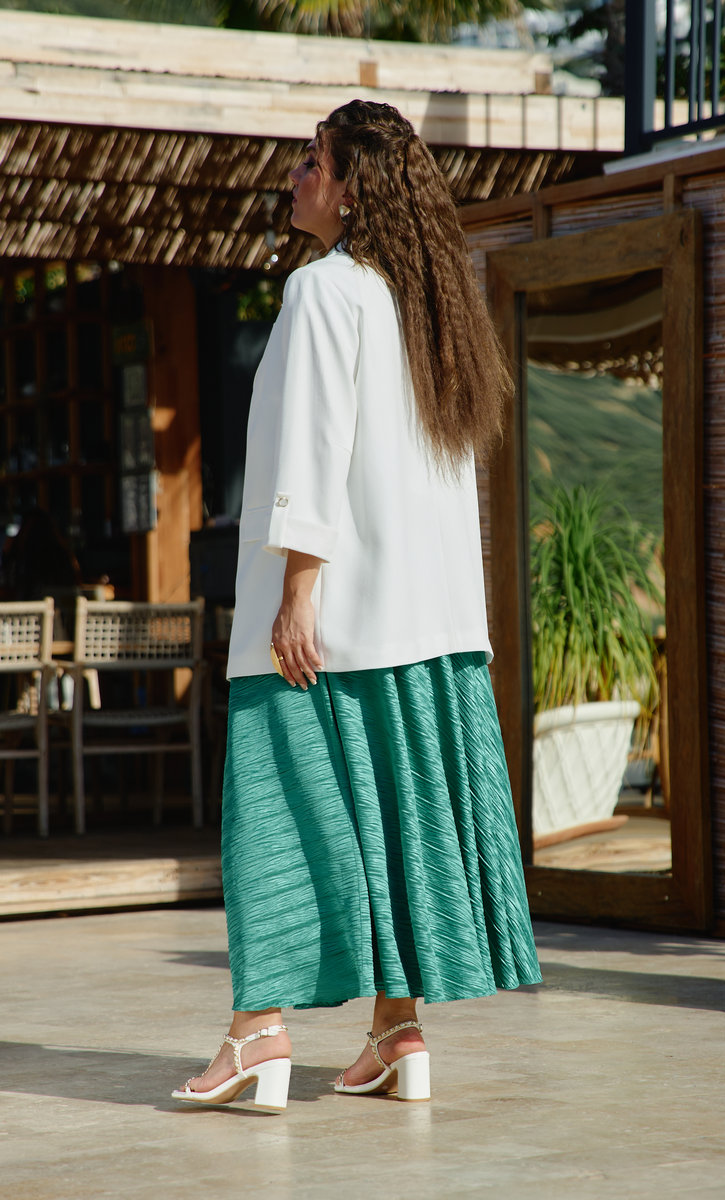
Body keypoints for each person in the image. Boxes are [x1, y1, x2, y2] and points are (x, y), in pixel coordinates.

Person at [172, 99, 541, 1113]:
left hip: (327, 622)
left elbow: (309, 448)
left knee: (278, 815)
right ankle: (396, 1028)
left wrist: (296, 595)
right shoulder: (429, 306)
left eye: (312, 161)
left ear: (350, 189)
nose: (295, 176)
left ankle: (257, 1033)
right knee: (391, 823)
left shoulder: (321, 290)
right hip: (425, 626)